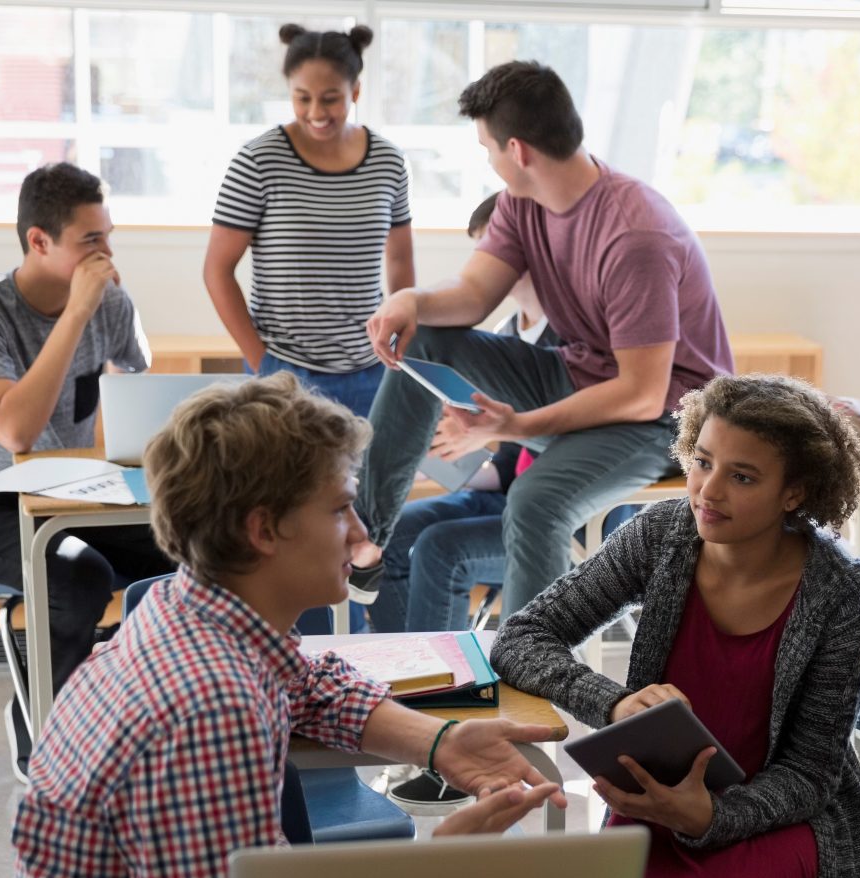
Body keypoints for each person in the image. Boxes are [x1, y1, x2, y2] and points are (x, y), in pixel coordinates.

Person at [10, 373, 566, 878]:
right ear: (263, 530)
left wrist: (438, 743)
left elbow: (308, 682)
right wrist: (439, 868)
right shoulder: (208, 711)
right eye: (338, 508)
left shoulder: (184, 609)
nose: (359, 532)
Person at [492, 373, 860, 878]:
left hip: (778, 824)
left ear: (794, 492)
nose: (708, 490)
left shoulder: (836, 591)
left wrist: (710, 815)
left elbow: (811, 775)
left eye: (742, 476)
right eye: (703, 461)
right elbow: (523, 636)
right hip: (657, 808)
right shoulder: (663, 536)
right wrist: (611, 702)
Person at [350, 60, 733, 622]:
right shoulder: (521, 204)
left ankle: (531, 682)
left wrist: (518, 426)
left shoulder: (636, 234)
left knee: (536, 502)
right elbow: (474, 293)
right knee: (424, 335)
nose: (488, 162)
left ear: (518, 150)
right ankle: (366, 538)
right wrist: (412, 300)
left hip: (666, 417)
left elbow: (642, 395)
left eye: (487, 150)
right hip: (578, 372)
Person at [0, 162, 173, 782]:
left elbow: (140, 367)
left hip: (74, 492)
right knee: (75, 576)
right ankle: (43, 733)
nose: (107, 255)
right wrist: (75, 315)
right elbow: (15, 431)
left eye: (109, 237)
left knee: (197, 549)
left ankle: (141, 712)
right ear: (38, 242)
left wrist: (112, 309)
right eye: (90, 242)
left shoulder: (107, 301)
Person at [369, 191, 562, 638]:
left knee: (440, 548)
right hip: (506, 494)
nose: (485, 262)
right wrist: (446, 459)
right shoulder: (504, 335)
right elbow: (511, 465)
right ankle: (404, 672)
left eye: (492, 247)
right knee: (391, 534)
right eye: (481, 250)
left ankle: (442, 686)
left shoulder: (570, 336)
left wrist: (483, 439)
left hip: (561, 513)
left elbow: (576, 446)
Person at [203, 22, 414, 419]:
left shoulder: (389, 162)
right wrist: (261, 361)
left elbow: (400, 260)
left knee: (370, 480)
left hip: (372, 368)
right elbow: (217, 269)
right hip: (284, 371)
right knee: (286, 482)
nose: (315, 113)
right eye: (302, 98)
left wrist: (403, 342)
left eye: (331, 99)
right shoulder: (258, 162)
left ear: (355, 91)